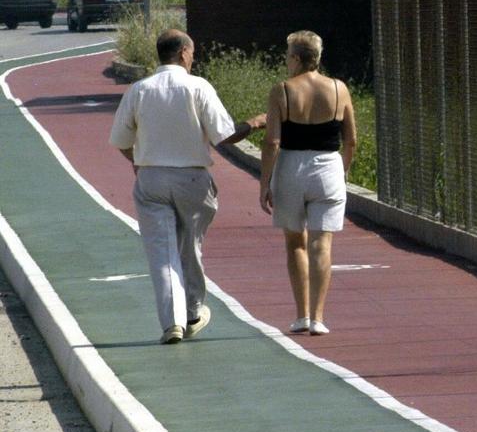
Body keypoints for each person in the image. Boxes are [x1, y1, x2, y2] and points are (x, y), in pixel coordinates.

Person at [109, 29, 266, 344]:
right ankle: (193, 309)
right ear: (183, 53)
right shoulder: (198, 87)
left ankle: (172, 322)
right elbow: (225, 135)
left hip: (151, 177)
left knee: (161, 251)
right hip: (192, 178)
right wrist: (255, 123)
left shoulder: (139, 90)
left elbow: (121, 140)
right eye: (192, 52)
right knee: (189, 246)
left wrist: (138, 162)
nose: (193, 58)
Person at [259, 31, 356, 336]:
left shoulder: (282, 91)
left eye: (288, 54)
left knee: (295, 241)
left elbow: (272, 141)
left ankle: (300, 315)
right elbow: (350, 140)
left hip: (291, 165)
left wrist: (265, 182)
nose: (286, 60)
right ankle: (318, 317)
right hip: (328, 165)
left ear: (297, 58)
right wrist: (343, 170)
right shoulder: (340, 89)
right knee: (322, 242)